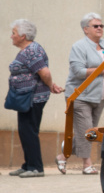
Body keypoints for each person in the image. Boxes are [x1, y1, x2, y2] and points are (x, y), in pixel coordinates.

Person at [56, 13, 104, 175]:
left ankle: (62, 155)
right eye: (96, 26)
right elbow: (77, 71)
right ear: (86, 29)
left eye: (101, 26)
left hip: (99, 97)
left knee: (88, 132)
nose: (100, 28)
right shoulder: (79, 47)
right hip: (80, 96)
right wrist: (102, 70)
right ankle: (87, 165)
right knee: (88, 132)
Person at [8, 20, 63, 177]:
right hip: (26, 97)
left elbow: (44, 73)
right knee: (25, 131)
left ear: (23, 36)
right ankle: (28, 165)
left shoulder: (32, 50)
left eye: (14, 33)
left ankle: (36, 167)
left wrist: (51, 85)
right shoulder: (28, 50)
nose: (11, 36)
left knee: (29, 131)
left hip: (33, 97)